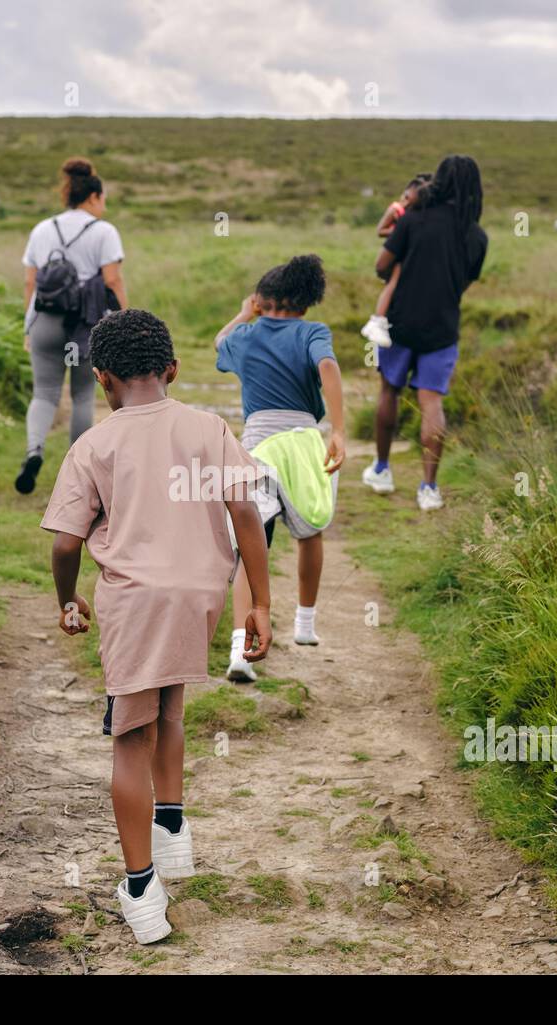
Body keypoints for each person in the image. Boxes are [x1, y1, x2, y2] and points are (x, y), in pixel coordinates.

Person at [41, 309, 272, 944]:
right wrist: (261, 604)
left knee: (127, 737)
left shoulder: (95, 445)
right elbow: (245, 514)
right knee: (169, 707)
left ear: (103, 379)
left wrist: (67, 598)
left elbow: (65, 543)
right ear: (172, 370)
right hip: (200, 594)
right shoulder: (207, 427)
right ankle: (172, 830)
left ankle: (142, 890)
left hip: (136, 604)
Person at [214, 254, 345, 682]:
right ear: (306, 304)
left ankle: (239, 648)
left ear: (262, 300)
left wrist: (241, 313)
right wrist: (339, 431)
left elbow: (220, 343)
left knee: (250, 548)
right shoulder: (312, 332)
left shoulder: (247, 335)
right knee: (311, 529)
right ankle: (305, 624)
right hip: (304, 441)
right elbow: (327, 366)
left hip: (258, 445)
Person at [362, 155, 487, 512]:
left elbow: (381, 266)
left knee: (389, 389)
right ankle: (428, 488)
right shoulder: (476, 236)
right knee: (432, 403)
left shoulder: (414, 221)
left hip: (399, 322)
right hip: (443, 328)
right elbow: (463, 284)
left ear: (440, 181)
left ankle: (383, 470)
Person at [16, 157, 127, 494]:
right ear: (92, 197)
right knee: (82, 395)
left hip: (45, 321)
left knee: (44, 393)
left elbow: (30, 283)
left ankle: (34, 451)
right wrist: (123, 321)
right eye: (103, 198)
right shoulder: (104, 232)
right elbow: (113, 279)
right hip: (86, 324)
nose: (104, 205)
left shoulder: (42, 228)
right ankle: (78, 472)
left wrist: (27, 327)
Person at [361, 174, 430, 348]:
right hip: (396, 253)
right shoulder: (396, 210)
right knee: (392, 284)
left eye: (410, 201)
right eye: (405, 197)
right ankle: (378, 320)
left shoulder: (415, 214)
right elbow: (380, 230)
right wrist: (400, 232)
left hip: (409, 254)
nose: (406, 202)